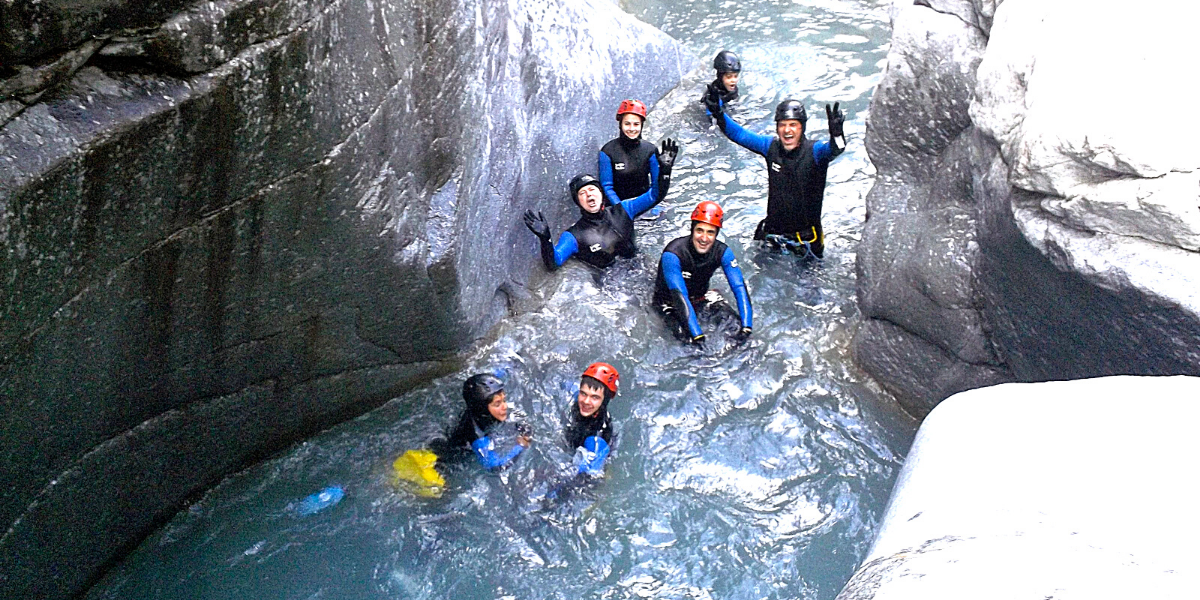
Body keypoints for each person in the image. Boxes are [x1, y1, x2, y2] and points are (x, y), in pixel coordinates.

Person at [704, 92, 846, 259]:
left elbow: (835, 149)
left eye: (793, 124)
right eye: (782, 125)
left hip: (806, 242)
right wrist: (719, 114)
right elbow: (740, 135)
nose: (787, 130)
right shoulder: (770, 147)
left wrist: (837, 135)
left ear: (802, 127)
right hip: (772, 234)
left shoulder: (815, 151)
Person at [523, 140, 678, 270]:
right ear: (578, 202)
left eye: (592, 190)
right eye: (582, 193)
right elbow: (554, 263)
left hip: (639, 266)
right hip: (610, 287)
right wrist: (546, 240)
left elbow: (655, 195)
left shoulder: (624, 210)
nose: (589, 195)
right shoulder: (574, 235)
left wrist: (665, 171)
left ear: (602, 194)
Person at [654, 201, 752, 343]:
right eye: (700, 230)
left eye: (710, 232)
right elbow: (680, 296)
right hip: (671, 303)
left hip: (700, 298)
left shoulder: (722, 252)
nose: (704, 238)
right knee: (688, 340)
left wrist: (746, 328)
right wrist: (698, 336)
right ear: (692, 230)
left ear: (716, 234)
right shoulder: (673, 254)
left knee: (737, 327)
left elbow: (739, 287)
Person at [446, 373, 531, 470]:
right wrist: (520, 446)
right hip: (453, 457)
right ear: (483, 409)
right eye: (497, 404)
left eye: (504, 400)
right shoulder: (477, 435)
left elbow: (518, 416)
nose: (505, 406)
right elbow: (496, 467)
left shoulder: (485, 412)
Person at [599, 100, 670, 213]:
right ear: (620, 124)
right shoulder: (608, 151)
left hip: (645, 202)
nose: (632, 129)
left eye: (636, 124)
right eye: (627, 124)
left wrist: (665, 171)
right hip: (618, 205)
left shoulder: (650, 150)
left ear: (641, 125)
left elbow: (656, 186)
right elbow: (607, 187)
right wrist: (621, 209)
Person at [565, 362, 620, 476]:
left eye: (595, 397)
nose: (586, 401)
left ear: (604, 401)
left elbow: (584, 476)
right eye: (583, 394)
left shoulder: (598, 438)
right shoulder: (576, 398)